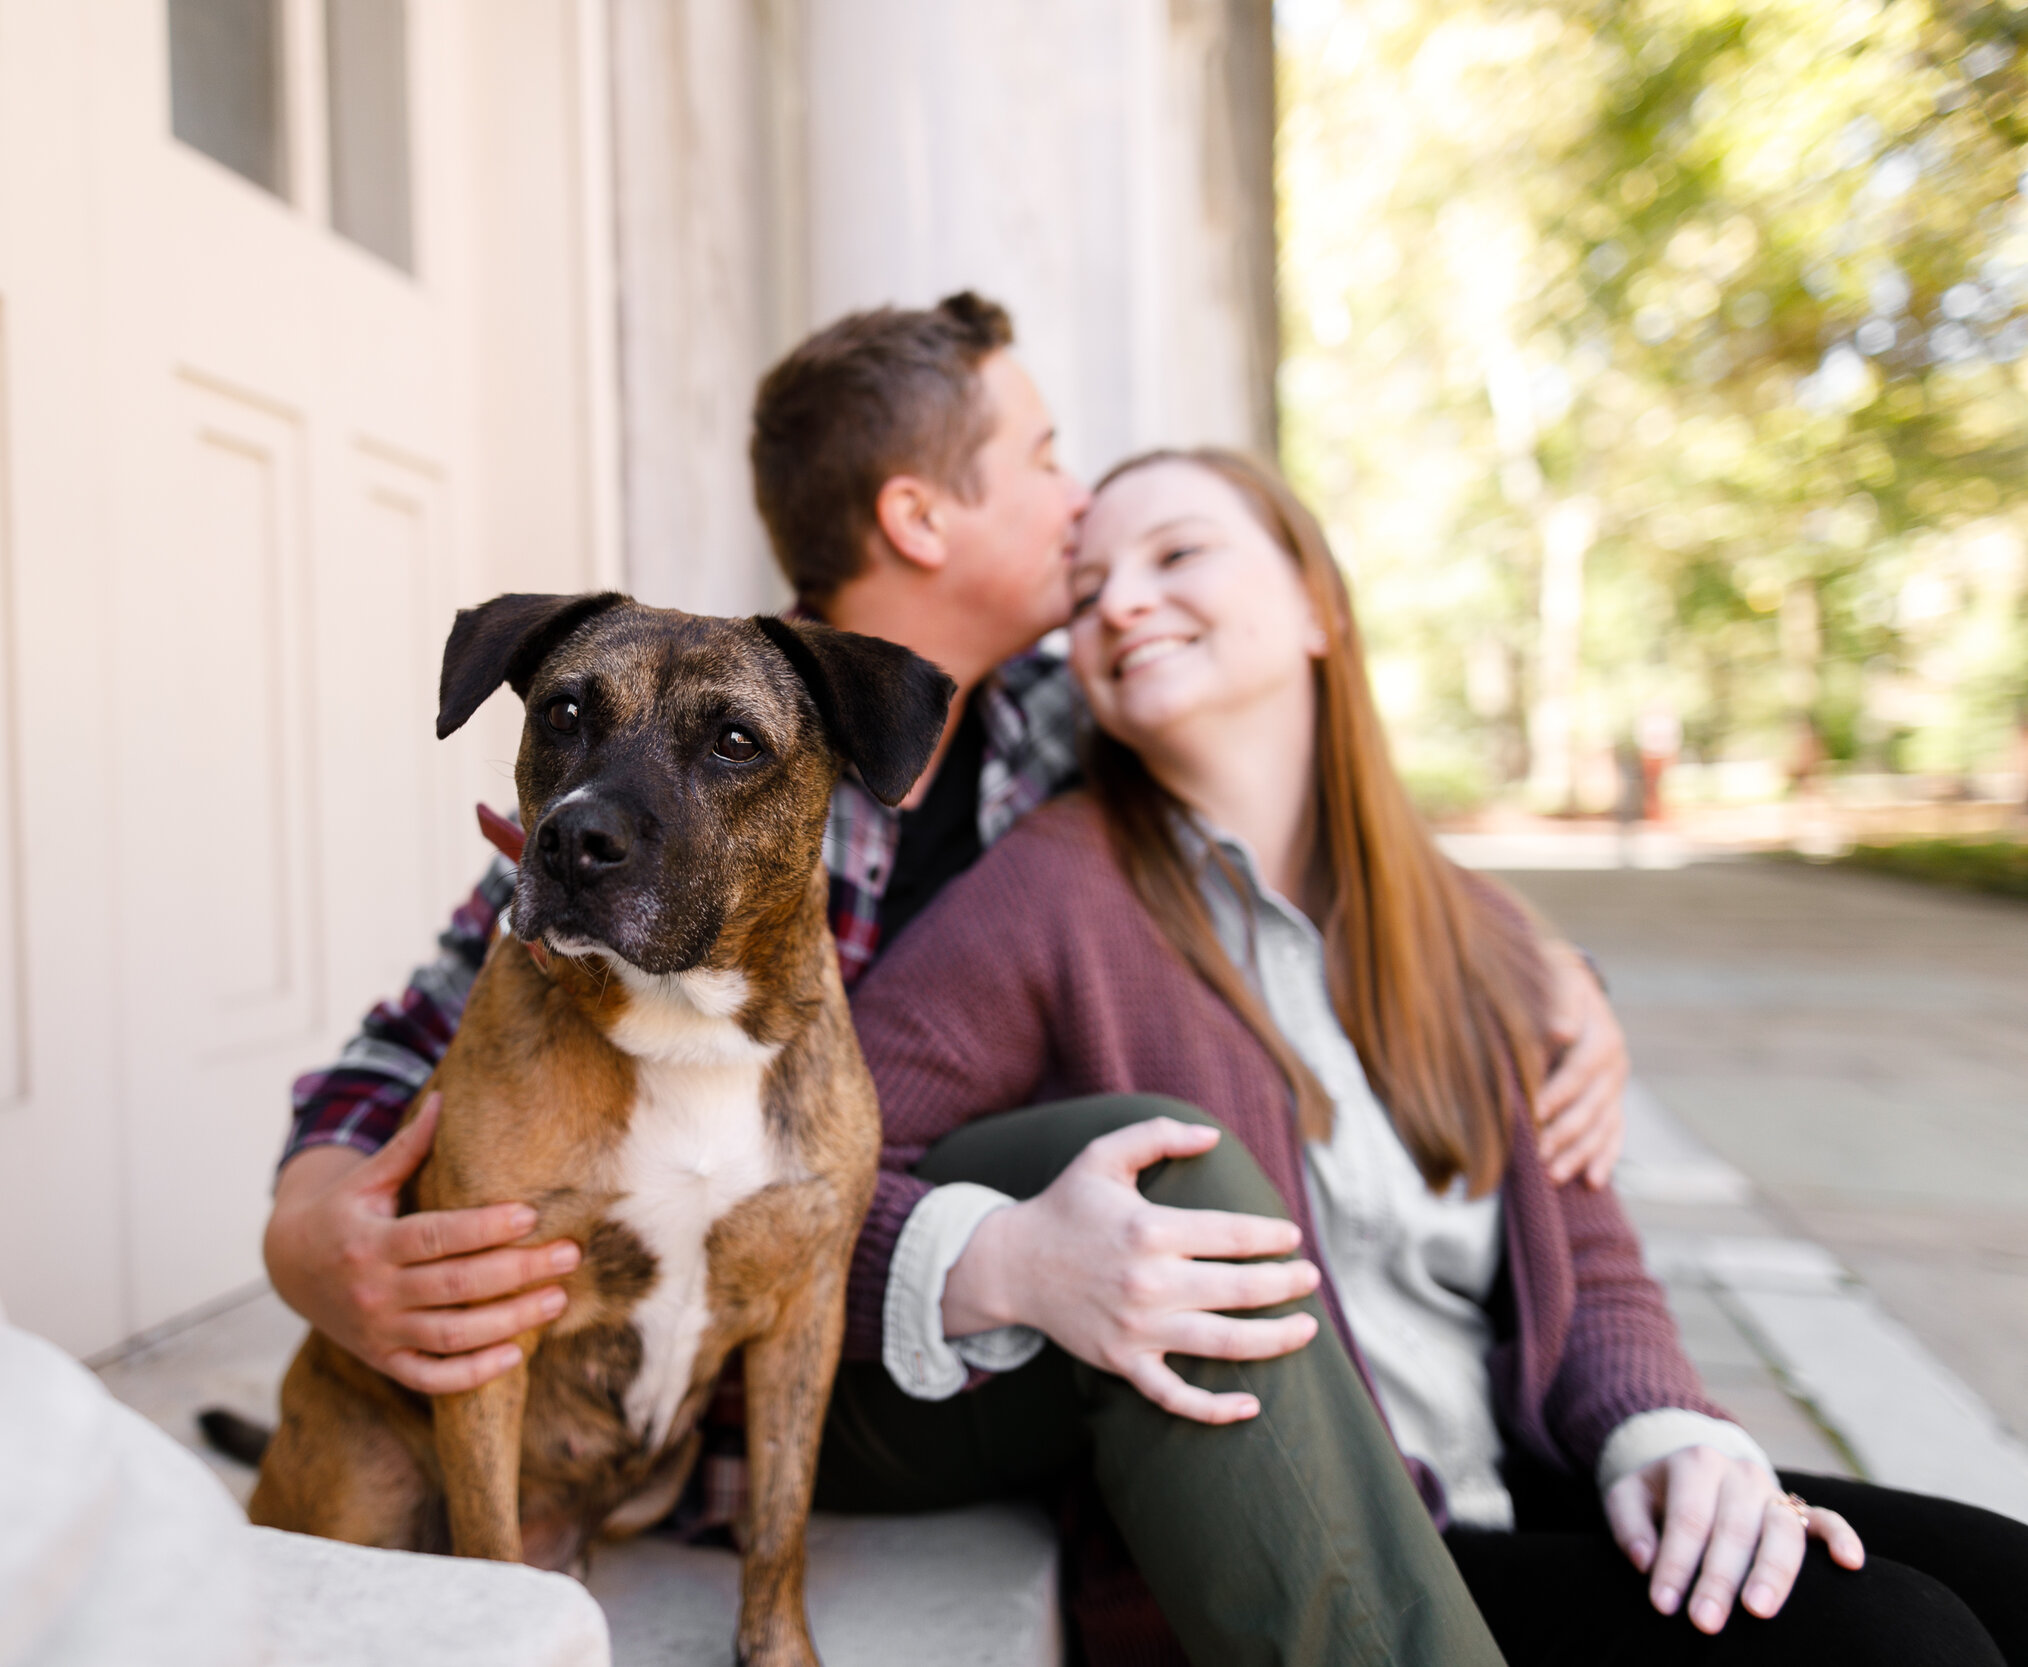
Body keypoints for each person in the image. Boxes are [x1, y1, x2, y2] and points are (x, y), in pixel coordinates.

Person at [261, 296, 1633, 1658]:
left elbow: (1288, 809)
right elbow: (438, 1028)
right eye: (1045, 456)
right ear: (922, 517)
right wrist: (313, 1219)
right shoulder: (679, 714)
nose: (1078, 499)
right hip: (806, 1308)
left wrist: (1529, 962)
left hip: (869, 1286)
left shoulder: (1069, 719)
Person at [835, 446, 2028, 1664]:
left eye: (1177, 553)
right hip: (1335, 1533)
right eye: (1086, 592)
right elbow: (799, 1175)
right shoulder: (1049, 891)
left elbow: (1594, 1263)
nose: (1122, 601)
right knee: (1893, 1639)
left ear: (1318, 603)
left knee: (2003, 1573)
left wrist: (1669, 1432)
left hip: (1524, 1465)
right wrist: (1016, 1253)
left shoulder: (1481, 930)